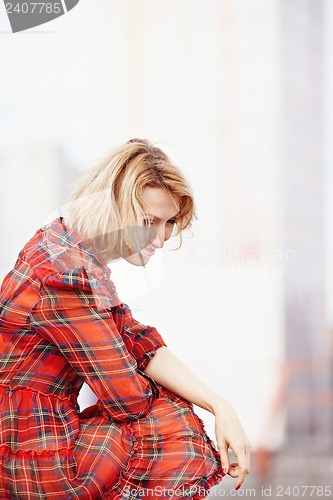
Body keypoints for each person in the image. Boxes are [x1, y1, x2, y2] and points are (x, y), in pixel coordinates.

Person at [0, 139, 250, 499]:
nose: (161, 240)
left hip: (31, 440)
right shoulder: (66, 274)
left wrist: (218, 405)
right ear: (113, 205)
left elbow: (137, 341)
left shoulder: (65, 244)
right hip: (35, 457)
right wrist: (192, 407)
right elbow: (126, 398)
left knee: (169, 408)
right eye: (149, 222)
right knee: (168, 420)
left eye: (170, 223)